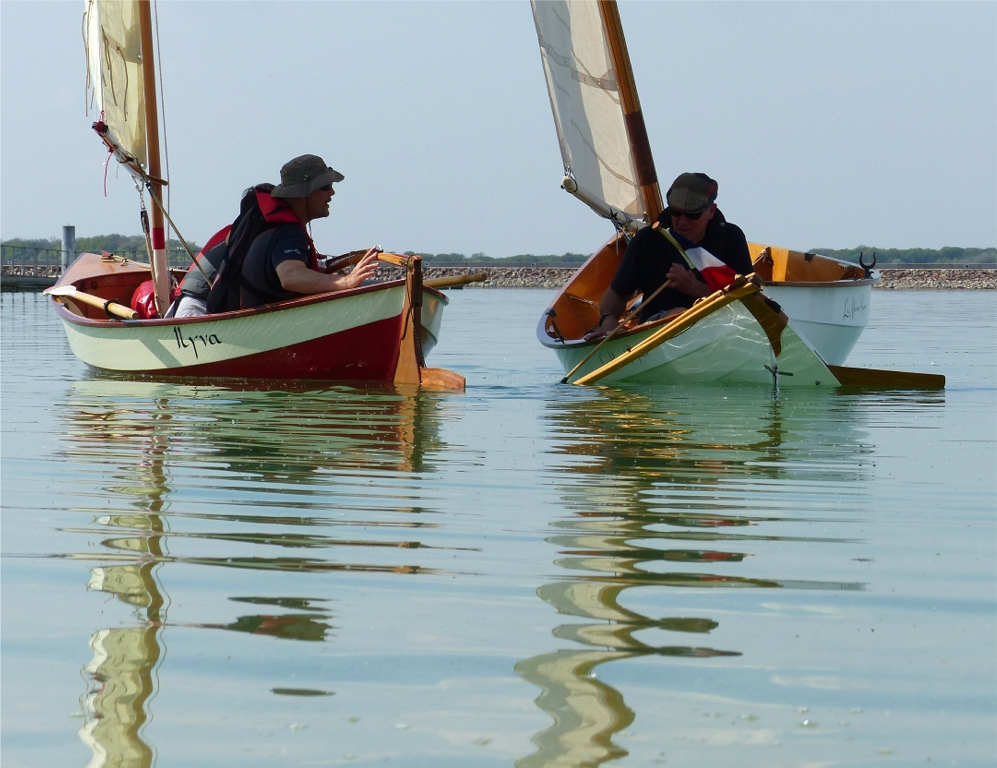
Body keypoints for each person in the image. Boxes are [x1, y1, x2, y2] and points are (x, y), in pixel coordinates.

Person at [583, 172, 752, 340]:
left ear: (711, 211)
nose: (682, 222)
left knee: (685, 315)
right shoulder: (648, 239)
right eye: (675, 212)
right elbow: (617, 294)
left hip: (723, 325)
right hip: (655, 329)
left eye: (693, 215)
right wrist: (608, 321)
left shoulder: (731, 238)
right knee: (680, 315)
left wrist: (695, 287)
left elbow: (748, 298)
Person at [239, 154, 379, 309]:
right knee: (364, 287)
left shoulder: (273, 229)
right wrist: (345, 282)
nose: (332, 192)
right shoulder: (288, 233)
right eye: (325, 186)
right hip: (268, 321)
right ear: (302, 194)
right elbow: (290, 277)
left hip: (257, 318)